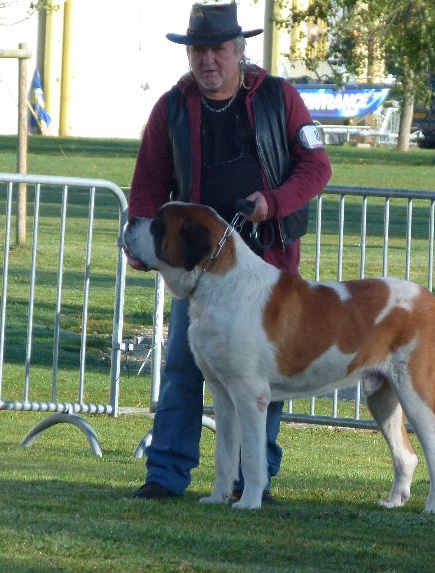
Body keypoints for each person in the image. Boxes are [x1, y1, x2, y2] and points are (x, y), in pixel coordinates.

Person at [125, 2, 332, 500]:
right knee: (181, 369)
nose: (207, 60)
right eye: (198, 50)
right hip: (196, 265)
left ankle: (253, 481)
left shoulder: (280, 98)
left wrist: (273, 202)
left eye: (218, 48)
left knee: (266, 376)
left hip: (267, 263)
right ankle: (166, 477)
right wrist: (138, 235)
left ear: (240, 50)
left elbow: (316, 167)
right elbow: (149, 180)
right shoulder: (172, 107)